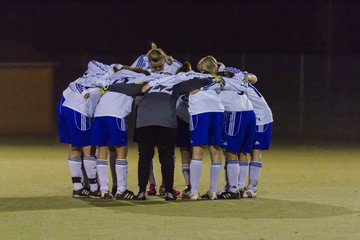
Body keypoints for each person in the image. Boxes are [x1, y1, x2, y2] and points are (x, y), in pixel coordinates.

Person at [145, 64, 225, 200]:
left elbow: (170, 80)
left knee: (197, 149)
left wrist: (151, 83)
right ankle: (213, 191)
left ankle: (193, 191)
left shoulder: (188, 75)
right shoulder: (213, 77)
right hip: (218, 110)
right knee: (215, 149)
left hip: (201, 112)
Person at [197, 56, 256, 199]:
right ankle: (240, 186)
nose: (202, 74)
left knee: (231, 152)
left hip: (236, 114)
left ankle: (233, 190)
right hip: (249, 112)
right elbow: (253, 78)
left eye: (203, 71)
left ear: (210, 69)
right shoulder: (230, 71)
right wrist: (246, 78)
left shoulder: (216, 79)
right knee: (242, 152)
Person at [90, 65, 152, 199]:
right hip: (116, 115)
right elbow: (146, 87)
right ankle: (121, 190)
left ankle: (103, 189)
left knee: (102, 150)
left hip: (99, 115)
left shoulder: (114, 78)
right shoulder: (138, 79)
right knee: (121, 150)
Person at [131, 42, 182, 196]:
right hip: (161, 120)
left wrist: (141, 92)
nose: (158, 70)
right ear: (149, 63)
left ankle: (156, 190)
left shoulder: (171, 68)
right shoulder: (143, 72)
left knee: (151, 157)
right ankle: (153, 190)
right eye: (155, 67)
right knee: (161, 157)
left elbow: (137, 99)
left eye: (160, 67)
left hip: (149, 120)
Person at [57, 60, 110, 198]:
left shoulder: (88, 77)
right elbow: (74, 84)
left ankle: (78, 187)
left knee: (75, 147)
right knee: (88, 147)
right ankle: (93, 188)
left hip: (66, 107)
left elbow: (73, 83)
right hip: (78, 110)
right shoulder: (101, 79)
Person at [223, 67, 273, 198]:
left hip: (261, 117)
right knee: (238, 150)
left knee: (255, 150)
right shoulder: (233, 81)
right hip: (248, 116)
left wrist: (247, 77)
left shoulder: (233, 82)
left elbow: (252, 78)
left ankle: (252, 187)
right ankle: (235, 185)